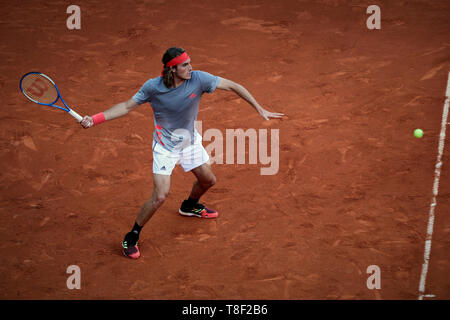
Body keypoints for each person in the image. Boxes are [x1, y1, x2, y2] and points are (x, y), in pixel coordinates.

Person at [80, 47, 284, 259]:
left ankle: (189, 205)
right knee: (160, 196)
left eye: (189, 63)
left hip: (189, 142)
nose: (190, 68)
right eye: (185, 65)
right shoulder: (153, 87)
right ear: (172, 69)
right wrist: (94, 119)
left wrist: (259, 108)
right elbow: (125, 106)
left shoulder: (199, 79)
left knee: (208, 180)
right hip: (165, 147)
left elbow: (233, 85)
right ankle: (132, 234)